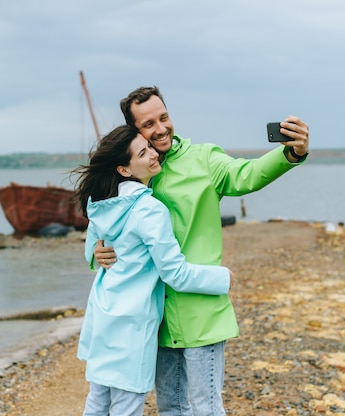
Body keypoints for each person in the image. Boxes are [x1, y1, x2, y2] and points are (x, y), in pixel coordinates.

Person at [95, 87, 310, 415]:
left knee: (205, 409)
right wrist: (96, 254)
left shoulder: (204, 159)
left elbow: (245, 175)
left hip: (201, 310)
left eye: (164, 117)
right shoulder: (133, 175)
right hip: (156, 315)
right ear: (134, 132)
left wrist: (290, 154)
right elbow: (104, 226)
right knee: (170, 408)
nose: (161, 128)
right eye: (149, 124)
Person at [73, 124, 234, 416]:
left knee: (97, 401)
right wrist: (223, 278)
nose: (153, 155)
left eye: (149, 148)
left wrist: (98, 253)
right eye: (142, 152)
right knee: (126, 406)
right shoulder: (148, 209)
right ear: (124, 169)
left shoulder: (101, 204)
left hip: (101, 315)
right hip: (132, 324)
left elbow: (92, 256)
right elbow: (175, 274)